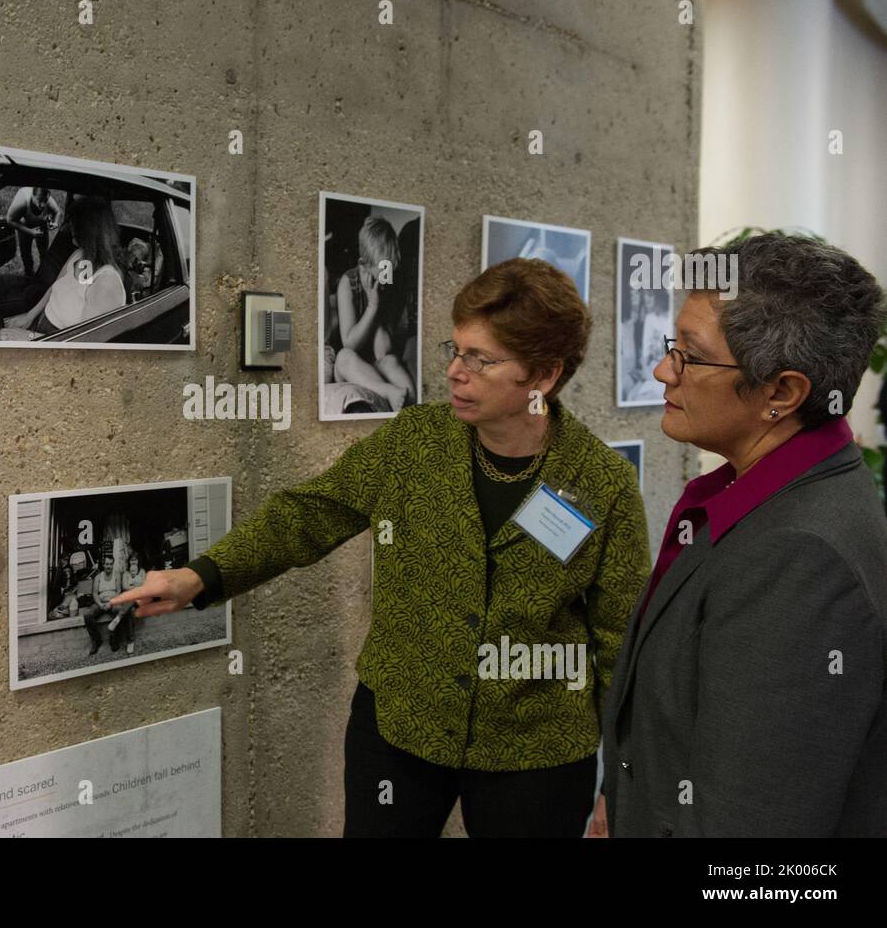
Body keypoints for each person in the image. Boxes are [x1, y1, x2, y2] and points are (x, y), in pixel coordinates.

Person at [115, 258, 651, 837]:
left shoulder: (603, 484)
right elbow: (308, 515)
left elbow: (622, 644)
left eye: (481, 359)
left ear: (543, 376)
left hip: (536, 751)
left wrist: (621, 785)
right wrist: (201, 577)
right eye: (456, 348)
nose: (454, 371)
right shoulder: (413, 442)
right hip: (400, 730)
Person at [597, 233, 887, 838]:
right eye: (672, 345)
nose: (661, 370)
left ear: (781, 393)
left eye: (690, 356)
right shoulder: (756, 498)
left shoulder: (800, 558)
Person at [329, 217, 416, 412]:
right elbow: (350, 343)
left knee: (391, 361)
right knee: (344, 356)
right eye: (382, 272)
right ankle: (386, 391)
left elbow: (381, 352)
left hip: (376, 364)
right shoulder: (348, 283)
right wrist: (372, 306)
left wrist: (380, 301)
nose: (386, 280)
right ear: (363, 266)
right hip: (353, 369)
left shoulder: (387, 285)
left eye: (390, 270)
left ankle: (408, 406)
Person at [11, 196, 126, 336]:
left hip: (54, 341)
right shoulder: (80, 254)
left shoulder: (106, 282)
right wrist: (29, 316)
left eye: (75, 226)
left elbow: (84, 341)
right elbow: (56, 286)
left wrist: (30, 338)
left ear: (91, 233)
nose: (69, 229)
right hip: (40, 324)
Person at [5, 186, 59, 276]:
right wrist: (30, 231)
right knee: (26, 253)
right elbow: (9, 220)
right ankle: (29, 274)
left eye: (45, 201)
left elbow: (57, 211)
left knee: (44, 252)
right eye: (39, 201)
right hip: (24, 223)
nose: (42, 205)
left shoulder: (48, 199)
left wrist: (55, 222)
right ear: (32, 196)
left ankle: (43, 274)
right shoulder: (22, 201)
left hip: (41, 224)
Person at [83, 549, 120, 656]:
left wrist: (111, 603)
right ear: (103, 564)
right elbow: (94, 593)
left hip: (112, 602)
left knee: (119, 611)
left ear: (113, 565)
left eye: (110, 564)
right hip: (100, 603)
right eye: (106, 564)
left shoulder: (116, 575)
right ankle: (96, 641)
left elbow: (118, 591)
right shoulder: (98, 577)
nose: (108, 566)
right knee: (87, 615)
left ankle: (114, 639)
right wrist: (100, 604)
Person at [108, 552, 145, 655]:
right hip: (129, 600)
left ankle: (118, 617)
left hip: (139, 599)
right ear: (129, 562)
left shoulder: (142, 572)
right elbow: (124, 587)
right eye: (131, 560)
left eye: (135, 560)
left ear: (138, 561)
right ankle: (130, 642)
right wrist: (136, 588)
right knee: (130, 611)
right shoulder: (125, 573)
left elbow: (144, 587)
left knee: (133, 597)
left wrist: (134, 589)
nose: (133, 562)